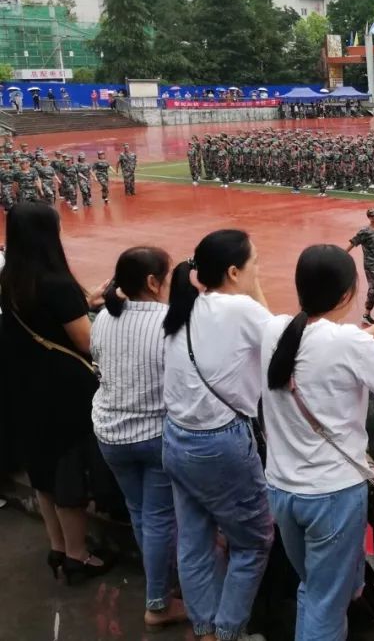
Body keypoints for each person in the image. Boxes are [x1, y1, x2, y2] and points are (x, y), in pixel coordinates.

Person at [261, 245, 374, 641]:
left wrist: (373, 333)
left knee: (313, 587)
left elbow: (316, 346)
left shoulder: (275, 330)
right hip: (330, 495)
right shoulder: (348, 342)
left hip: (282, 489)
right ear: (347, 295)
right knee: (325, 601)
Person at [161, 229, 275, 641]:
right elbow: (282, 344)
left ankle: (206, 628)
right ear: (233, 271)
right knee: (254, 541)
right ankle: (227, 632)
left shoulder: (187, 306)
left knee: (194, 542)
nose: (258, 270)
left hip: (176, 438)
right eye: (254, 263)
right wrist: (256, 287)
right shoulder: (240, 308)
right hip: (219, 444)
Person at [0, 204, 111, 585]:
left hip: (25, 384)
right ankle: (79, 556)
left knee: (42, 471)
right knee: (68, 473)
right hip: (62, 392)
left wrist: (84, 304)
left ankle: (58, 547)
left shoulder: (11, 279)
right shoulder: (56, 282)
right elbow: (86, 341)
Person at [91, 246, 187, 629]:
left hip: (111, 434)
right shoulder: (170, 321)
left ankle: (160, 590)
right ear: (152, 282)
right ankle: (159, 602)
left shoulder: (103, 318)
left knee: (141, 514)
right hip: (154, 435)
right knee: (161, 516)